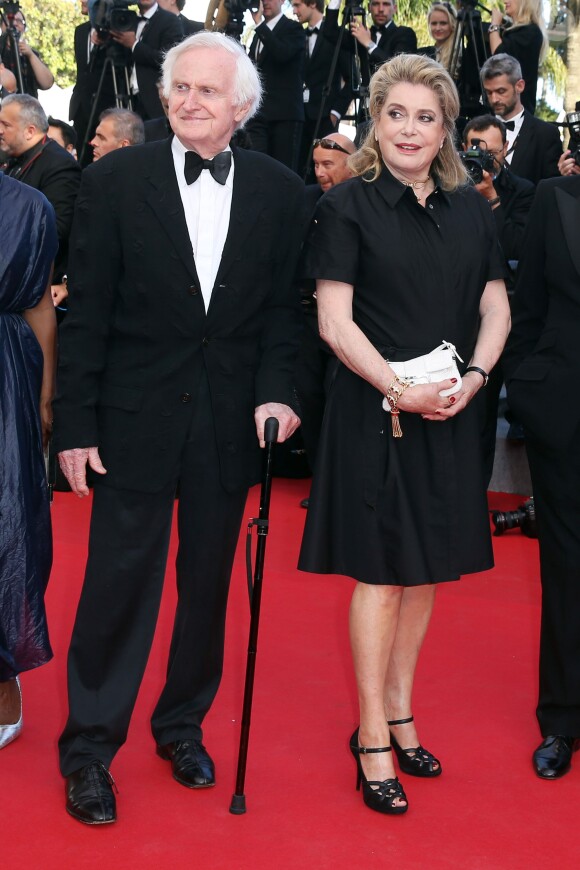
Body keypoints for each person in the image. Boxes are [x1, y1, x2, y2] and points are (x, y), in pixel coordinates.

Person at [53, 30, 304, 826]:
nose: (189, 101)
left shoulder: (280, 189)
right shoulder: (116, 180)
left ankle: (182, 726)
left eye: (206, 91)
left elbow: (284, 315)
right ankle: (89, 749)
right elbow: (86, 311)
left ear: (243, 106)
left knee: (205, 588)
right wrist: (74, 424)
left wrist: (279, 393)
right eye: (178, 88)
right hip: (132, 416)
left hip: (230, 422)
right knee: (117, 585)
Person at [298, 53, 510, 815]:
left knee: (426, 572)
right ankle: (370, 737)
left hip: (453, 410)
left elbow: (496, 307)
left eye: (427, 116)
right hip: (376, 413)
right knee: (383, 574)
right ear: (376, 122)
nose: (411, 129)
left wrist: (477, 380)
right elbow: (333, 319)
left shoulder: (469, 210)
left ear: (446, 127)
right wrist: (397, 388)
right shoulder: (347, 206)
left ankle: (401, 711)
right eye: (397, 115)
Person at [503, 175, 580, 779]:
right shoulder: (557, 200)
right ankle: (561, 719)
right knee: (566, 571)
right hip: (566, 418)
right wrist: (532, 393)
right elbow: (526, 307)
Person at [0, 173, 58, 749]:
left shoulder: (28, 206)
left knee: (8, 527)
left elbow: (40, 302)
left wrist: (45, 395)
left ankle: (2, 675)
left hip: (4, 375)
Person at [462, 113, 534, 483]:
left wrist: (491, 201)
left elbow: (517, 248)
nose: (480, 158)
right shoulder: (447, 183)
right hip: (456, 309)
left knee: (486, 407)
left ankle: (476, 487)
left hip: (500, 311)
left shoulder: (523, 191)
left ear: (505, 150)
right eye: (473, 149)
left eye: (488, 151)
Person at [296, 132, 356, 506]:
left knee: (341, 400)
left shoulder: (364, 199)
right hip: (306, 314)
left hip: (352, 318)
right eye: (316, 164)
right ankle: (321, 483)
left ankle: (344, 483)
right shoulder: (304, 200)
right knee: (310, 398)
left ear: (351, 161)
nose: (320, 172)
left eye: (328, 165)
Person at [0, 95, 82, 315]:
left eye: (5, 125)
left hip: (36, 290)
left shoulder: (59, 165)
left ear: (30, 130)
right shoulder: (12, 160)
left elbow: (58, 228)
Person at [291, 0, 353, 180]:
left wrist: (335, 113)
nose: (294, 11)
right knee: (298, 169)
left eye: (297, 5)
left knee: (326, 171)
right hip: (299, 116)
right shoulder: (297, 35)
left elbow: (351, 79)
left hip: (325, 116)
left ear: (312, 4)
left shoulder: (337, 35)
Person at [480, 54, 562, 185]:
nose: (494, 99)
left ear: (520, 86)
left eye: (501, 91)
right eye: (489, 92)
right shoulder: (475, 130)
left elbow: (550, 191)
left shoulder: (546, 134)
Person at [247, 0, 305, 172]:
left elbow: (282, 53)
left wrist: (259, 25)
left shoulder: (293, 28)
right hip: (258, 116)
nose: (265, 2)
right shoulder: (258, 34)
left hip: (284, 115)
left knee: (282, 173)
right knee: (256, 170)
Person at [110, 0, 184, 121]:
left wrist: (134, 45)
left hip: (155, 99)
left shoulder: (170, 20)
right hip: (129, 99)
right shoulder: (128, 20)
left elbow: (168, 59)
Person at [489, 0, 547, 115]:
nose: (505, 1)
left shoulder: (530, 32)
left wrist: (494, 25)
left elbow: (499, 56)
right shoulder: (517, 32)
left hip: (517, 113)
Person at [0, 7, 54, 98]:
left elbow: (47, 83)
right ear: (2, 26)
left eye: (19, 21)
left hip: (28, 107)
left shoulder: (30, 53)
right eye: (10, 20)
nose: (15, 23)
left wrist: (31, 55)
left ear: (24, 28)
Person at [418, 2, 457, 70]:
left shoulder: (461, 55)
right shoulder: (422, 54)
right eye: (434, 23)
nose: (438, 28)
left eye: (443, 23)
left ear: (452, 24)